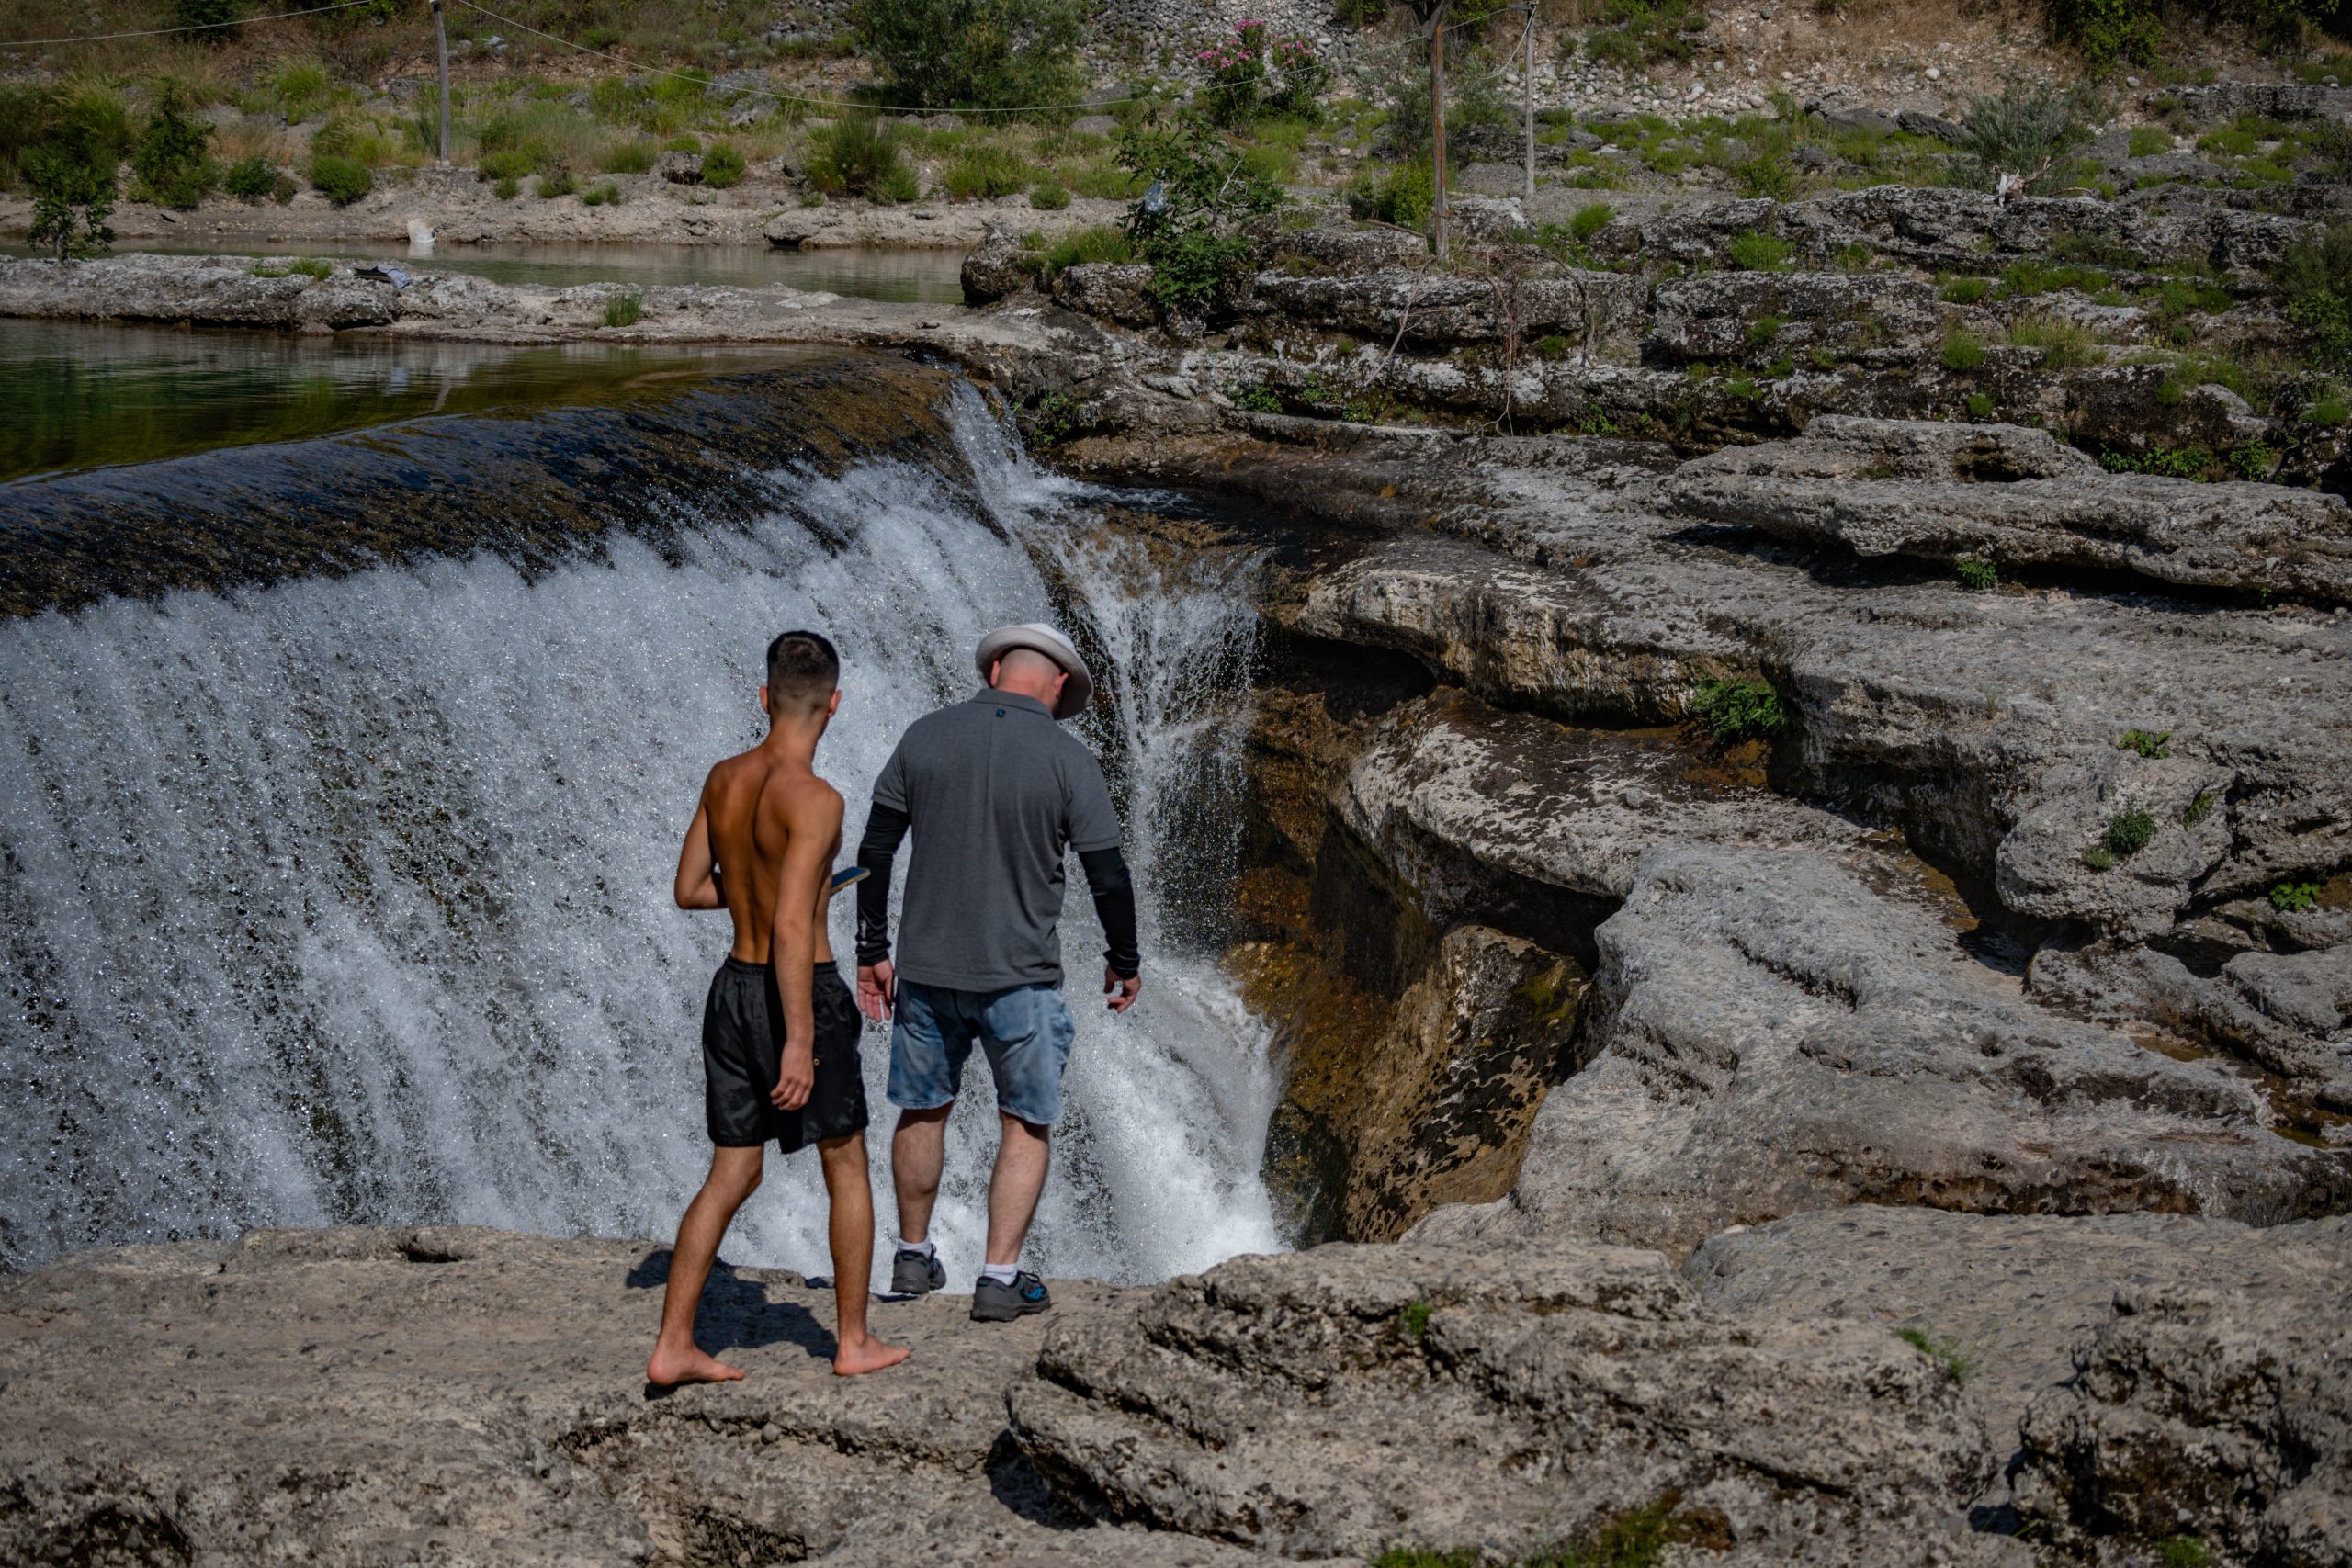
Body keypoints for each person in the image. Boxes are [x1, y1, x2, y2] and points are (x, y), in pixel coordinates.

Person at [854, 623, 1142, 1323]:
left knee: (922, 1110)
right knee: (1025, 1122)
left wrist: (871, 950)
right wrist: (1124, 959)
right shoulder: (1069, 759)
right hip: (1022, 980)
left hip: (926, 971)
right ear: (1059, 685)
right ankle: (998, 1277)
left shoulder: (922, 736)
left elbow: (875, 851)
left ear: (994, 673)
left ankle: (912, 1256)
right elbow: (1107, 874)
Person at [647, 630, 909, 1384]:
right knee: (846, 1162)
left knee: (731, 1171)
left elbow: (692, 888)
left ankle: (673, 1344)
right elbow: (796, 926)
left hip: (732, 988)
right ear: (834, 705)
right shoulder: (820, 800)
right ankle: (853, 1340)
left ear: (764, 698)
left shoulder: (723, 778)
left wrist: (765, 891)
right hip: (803, 997)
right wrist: (800, 1039)